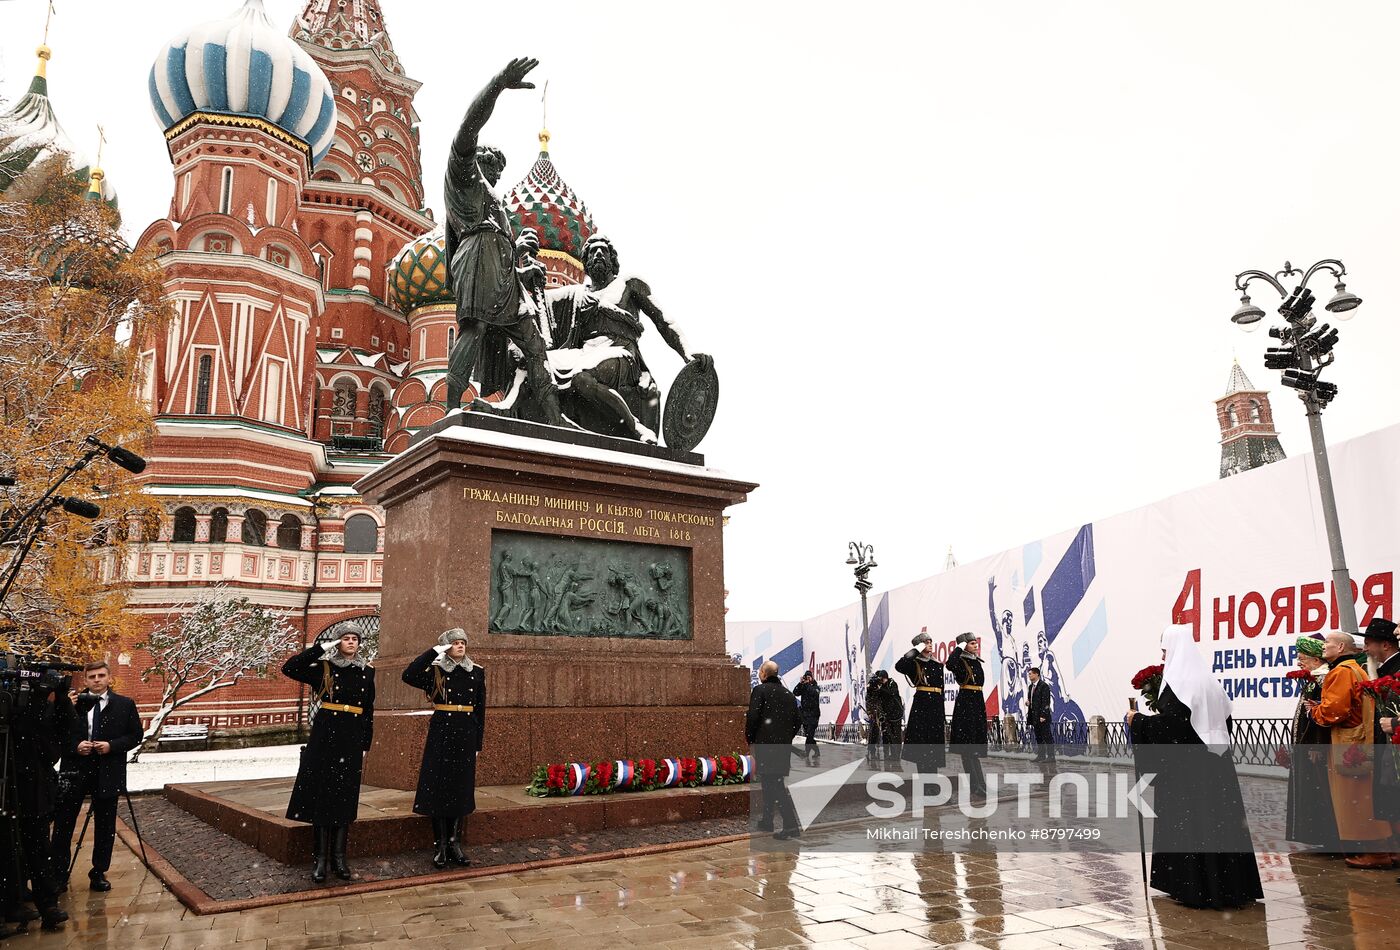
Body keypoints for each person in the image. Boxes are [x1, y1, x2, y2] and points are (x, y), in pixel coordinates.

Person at [442, 57, 566, 426]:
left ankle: (553, 419)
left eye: (498, 167)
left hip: (503, 271)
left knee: (534, 343)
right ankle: (451, 406)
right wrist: (497, 85)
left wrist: (522, 272)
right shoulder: (463, 176)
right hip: (478, 256)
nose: (496, 171)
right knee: (475, 328)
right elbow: (468, 126)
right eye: (491, 163)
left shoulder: (496, 202)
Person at [1127, 624, 1263, 909]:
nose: (1164, 657)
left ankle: (1199, 886)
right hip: (1217, 766)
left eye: (1165, 651)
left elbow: (1173, 727)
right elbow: (1224, 723)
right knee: (1220, 825)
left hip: (1188, 772)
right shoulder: (1210, 682)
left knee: (1194, 826)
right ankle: (1230, 884)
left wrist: (1137, 720)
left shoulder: (1180, 684)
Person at [283, 626, 376, 883]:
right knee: (322, 796)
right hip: (326, 735)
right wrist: (322, 647)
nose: (350, 642)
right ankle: (320, 860)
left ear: (359, 644)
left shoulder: (367, 671)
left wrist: (365, 742)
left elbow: (368, 709)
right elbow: (290, 668)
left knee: (344, 797)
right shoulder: (324, 668)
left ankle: (339, 858)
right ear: (338, 642)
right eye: (345, 638)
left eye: (354, 639)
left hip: (352, 737)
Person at [49, 661, 141, 894]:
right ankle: (58, 874)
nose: (97, 680)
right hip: (75, 770)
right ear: (86, 680)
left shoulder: (124, 704)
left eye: (101, 675)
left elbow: (135, 735)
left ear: (109, 678)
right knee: (63, 824)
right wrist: (74, 746)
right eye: (92, 676)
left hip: (107, 771)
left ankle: (98, 872)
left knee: (105, 825)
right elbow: (56, 733)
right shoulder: (72, 703)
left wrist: (111, 746)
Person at [1307, 631, 1393, 869]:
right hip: (1363, 739)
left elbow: (1334, 711)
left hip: (1347, 744)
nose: (1323, 647)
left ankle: (1375, 854)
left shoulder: (1341, 672)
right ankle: (1387, 849)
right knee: (1367, 797)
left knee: (1354, 800)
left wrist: (1314, 711)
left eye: (1328, 643)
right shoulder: (1357, 669)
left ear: (1341, 647)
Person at [402, 628, 485, 869]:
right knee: (439, 787)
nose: (460, 646)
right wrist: (433, 652)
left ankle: (454, 843)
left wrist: (478, 742)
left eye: (462, 643)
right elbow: (409, 675)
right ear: (446, 647)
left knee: (460, 788)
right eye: (455, 643)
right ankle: (439, 845)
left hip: (466, 732)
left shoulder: (477, 672)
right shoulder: (435, 670)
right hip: (442, 731)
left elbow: (480, 709)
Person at [9, 670, 73, 929]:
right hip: (11, 788)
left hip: (36, 789)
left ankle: (48, 904)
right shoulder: (16, 706)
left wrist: (62, 698)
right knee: (13, 851)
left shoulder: (42, 706)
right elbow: (21, 728)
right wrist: (37, 697)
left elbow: (66, 731)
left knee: (39, 850)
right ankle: (14, 901)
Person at [1285, 635, 1340, 853]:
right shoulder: (1314, 679)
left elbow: (1321, 719)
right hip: (1306, 747)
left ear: (1316, 660)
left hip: (1314, 748)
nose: (1299, 662)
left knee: (1322, 792)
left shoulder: (1323, 680)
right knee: (1312, 791)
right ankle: (1320, 835)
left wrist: (1317, 746)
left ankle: (1330, 837)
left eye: (1302, 658)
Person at [746, 661, 801, 839]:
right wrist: (786, 737)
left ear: (763, 673)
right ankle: (767, 820)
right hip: (782, 746)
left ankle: (791, 825)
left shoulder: (760, 691)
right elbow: (797, 721)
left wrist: (751, 737)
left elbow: (753, 716)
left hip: (766, 745)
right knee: (771, 782)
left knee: (774, 784)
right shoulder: (788, 694)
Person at [1361, 618, 1400, 865]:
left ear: (1385, 645)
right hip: (1389, 746)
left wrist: (1395, 724)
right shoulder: (1383, 669)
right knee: (1390, 796)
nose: (1365, 649)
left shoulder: (1395, 670)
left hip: (1394, 747)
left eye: (1369, 643)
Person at [896, 633, 947, 774]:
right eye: (926, 642)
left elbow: (941, 689)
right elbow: (899, 666)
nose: (930, 644)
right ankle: (925, 785)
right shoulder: (914, 663)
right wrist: (916, 650)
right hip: (922, 705)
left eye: (931, 641)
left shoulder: (937, 664)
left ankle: (934, 785)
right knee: (922, 747)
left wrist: (941, 713)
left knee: (934, 746)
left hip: (936, 706)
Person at [947, 632, 988, 795]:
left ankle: (981, 784)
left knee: (974, 749)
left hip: (977, 702)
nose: (975, 645)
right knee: (967, 749)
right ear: (964, 646)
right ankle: (974, 785)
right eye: (971, 643)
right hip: (966, 704)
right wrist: (959, 647)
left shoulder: (975, 661)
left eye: (975, 642)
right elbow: (949, 664)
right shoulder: (960, 661)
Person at [792, 671, 821, 764]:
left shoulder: (816, 687)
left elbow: (814, 693)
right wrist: (800, 683)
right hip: (805, 715)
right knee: (808, 735)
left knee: (810, 734)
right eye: (806, 677)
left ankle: (806, 753)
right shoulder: (804, 686)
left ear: (812, 678)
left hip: (814, 714)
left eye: (809, 677)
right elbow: (795, 692)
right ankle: (816, 750)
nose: (807, 679)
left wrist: (808, 684)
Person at [1026, 667, 1055, 763]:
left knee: (1047, 737)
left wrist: (1043, 715)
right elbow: (1032, 699)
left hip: (1042, 717)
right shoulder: (1031, 687)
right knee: (1039, 737)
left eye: (1031, 673)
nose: (1029, 675)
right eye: (1029, 674)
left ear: (1037, 674)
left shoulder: (1043, 686)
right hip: (1034, 716)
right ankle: (1041, 755)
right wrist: (1029, 702)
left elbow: (1046, 701)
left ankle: (1051, 756)